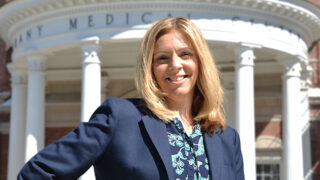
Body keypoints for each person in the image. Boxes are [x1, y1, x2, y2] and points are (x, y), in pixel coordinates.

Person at [18, 17, 244, 180]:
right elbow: (38, 172)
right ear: (151, 68)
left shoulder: (225, 137)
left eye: (185, 54)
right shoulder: (120, 118)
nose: (175, 65)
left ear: (200, 62)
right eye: (162, 58)